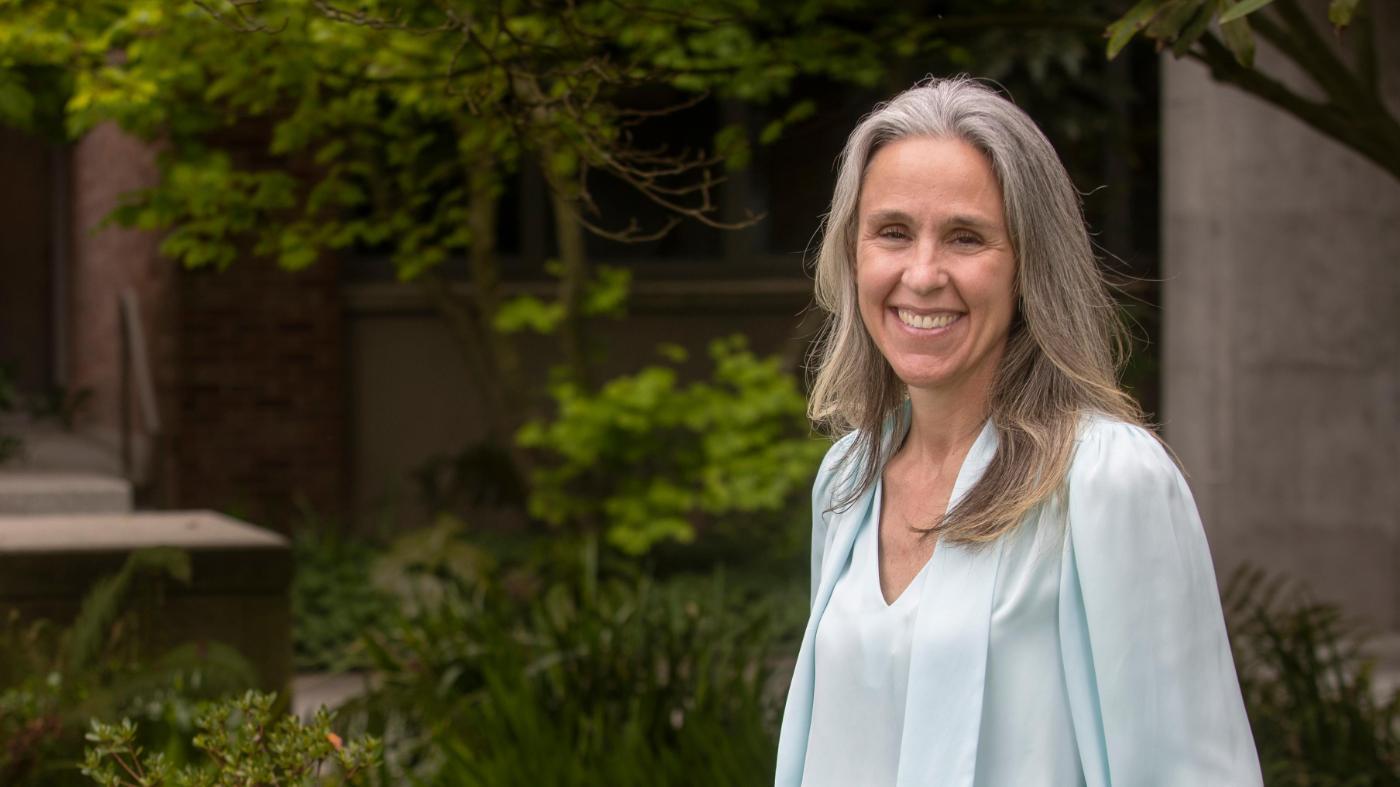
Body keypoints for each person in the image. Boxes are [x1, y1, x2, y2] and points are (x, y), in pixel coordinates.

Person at [775, 77, 1263, 787]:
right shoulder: (848, 478)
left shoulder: (1105, 478)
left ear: (1029, 264)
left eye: (966, 237)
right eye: (893, 232)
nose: (923, 273)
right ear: (853, 255)